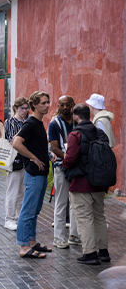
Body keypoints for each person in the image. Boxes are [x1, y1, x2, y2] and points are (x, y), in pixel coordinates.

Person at [63, 103, 110, 265]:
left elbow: (70, 159)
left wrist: (63, 163)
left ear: (76, 117)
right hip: (99, 182)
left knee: (84, 218)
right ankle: (103, 252)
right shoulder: (99, 133)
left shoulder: (75, 134)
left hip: (81, 183)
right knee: (99, 217)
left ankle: (90, 253)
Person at [12, 91, 56, 259]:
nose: (47, 105)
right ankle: (24, 247)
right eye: (44, 103)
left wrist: (47, 155)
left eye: (48, 102)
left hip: (42, 173)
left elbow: (35, 144)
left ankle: (31, 241)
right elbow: (16, 143)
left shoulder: (38, 122)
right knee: (28, 211)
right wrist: (33, 158)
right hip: (34, 174)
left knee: (35, 210)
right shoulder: (31, 123)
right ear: (34, 105)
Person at [48, 95, 80, 248]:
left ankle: (74, 235)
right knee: (61, 203)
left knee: (75, 202)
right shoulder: (54, 124)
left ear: (73, 105)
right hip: (61, 167)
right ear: (58, 107)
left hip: (76, 168)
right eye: (62, 105)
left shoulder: (77, 120)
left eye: (68, 104)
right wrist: (70, 158)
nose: (65, 107)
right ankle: (59, 238)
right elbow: (54, 148)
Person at [2, 97, 29, 230]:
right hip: (14, 160)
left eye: (26, 108)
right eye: (22, 108)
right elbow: (13, 142)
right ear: (16, 109)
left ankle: (19, 218)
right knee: (12, 191)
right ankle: (9, 219)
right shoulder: (10, 122)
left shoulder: (26, 122)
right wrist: (24, 130)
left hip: (25, 160)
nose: (25, 111)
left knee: (22, 192)